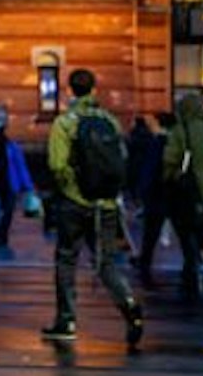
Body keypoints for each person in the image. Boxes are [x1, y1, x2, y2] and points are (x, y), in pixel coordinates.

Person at [44, 69, 144, 348]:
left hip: (74, 204)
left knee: (66, 259)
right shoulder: (110, 122)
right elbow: (122, 159)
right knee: (106, 263)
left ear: (69, 91)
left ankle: (66, 321)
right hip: (107, 205)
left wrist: (71, 191)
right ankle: (129, 304)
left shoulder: (65, 123)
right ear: (94, 90)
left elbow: (56, 165)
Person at [163, 91, 203, 300]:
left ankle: (191, 272)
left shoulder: (180, 132)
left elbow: (170, 160)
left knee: (187, 235)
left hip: (189, 193)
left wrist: (169, 178)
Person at [0, 104, 34, 255]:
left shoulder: (11, 145)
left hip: (10, 185)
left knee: (8, 213)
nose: (0, 120)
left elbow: (20, 166)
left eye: (2, 117)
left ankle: (2, 238)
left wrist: (28, 187)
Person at [129, 114, 169, 287]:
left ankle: (145, 263)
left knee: (151, 232)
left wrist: (141, 189)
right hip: (172, 192)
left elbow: (149, 169)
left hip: (157, 193)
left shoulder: (157, 142)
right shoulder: (174, 140)